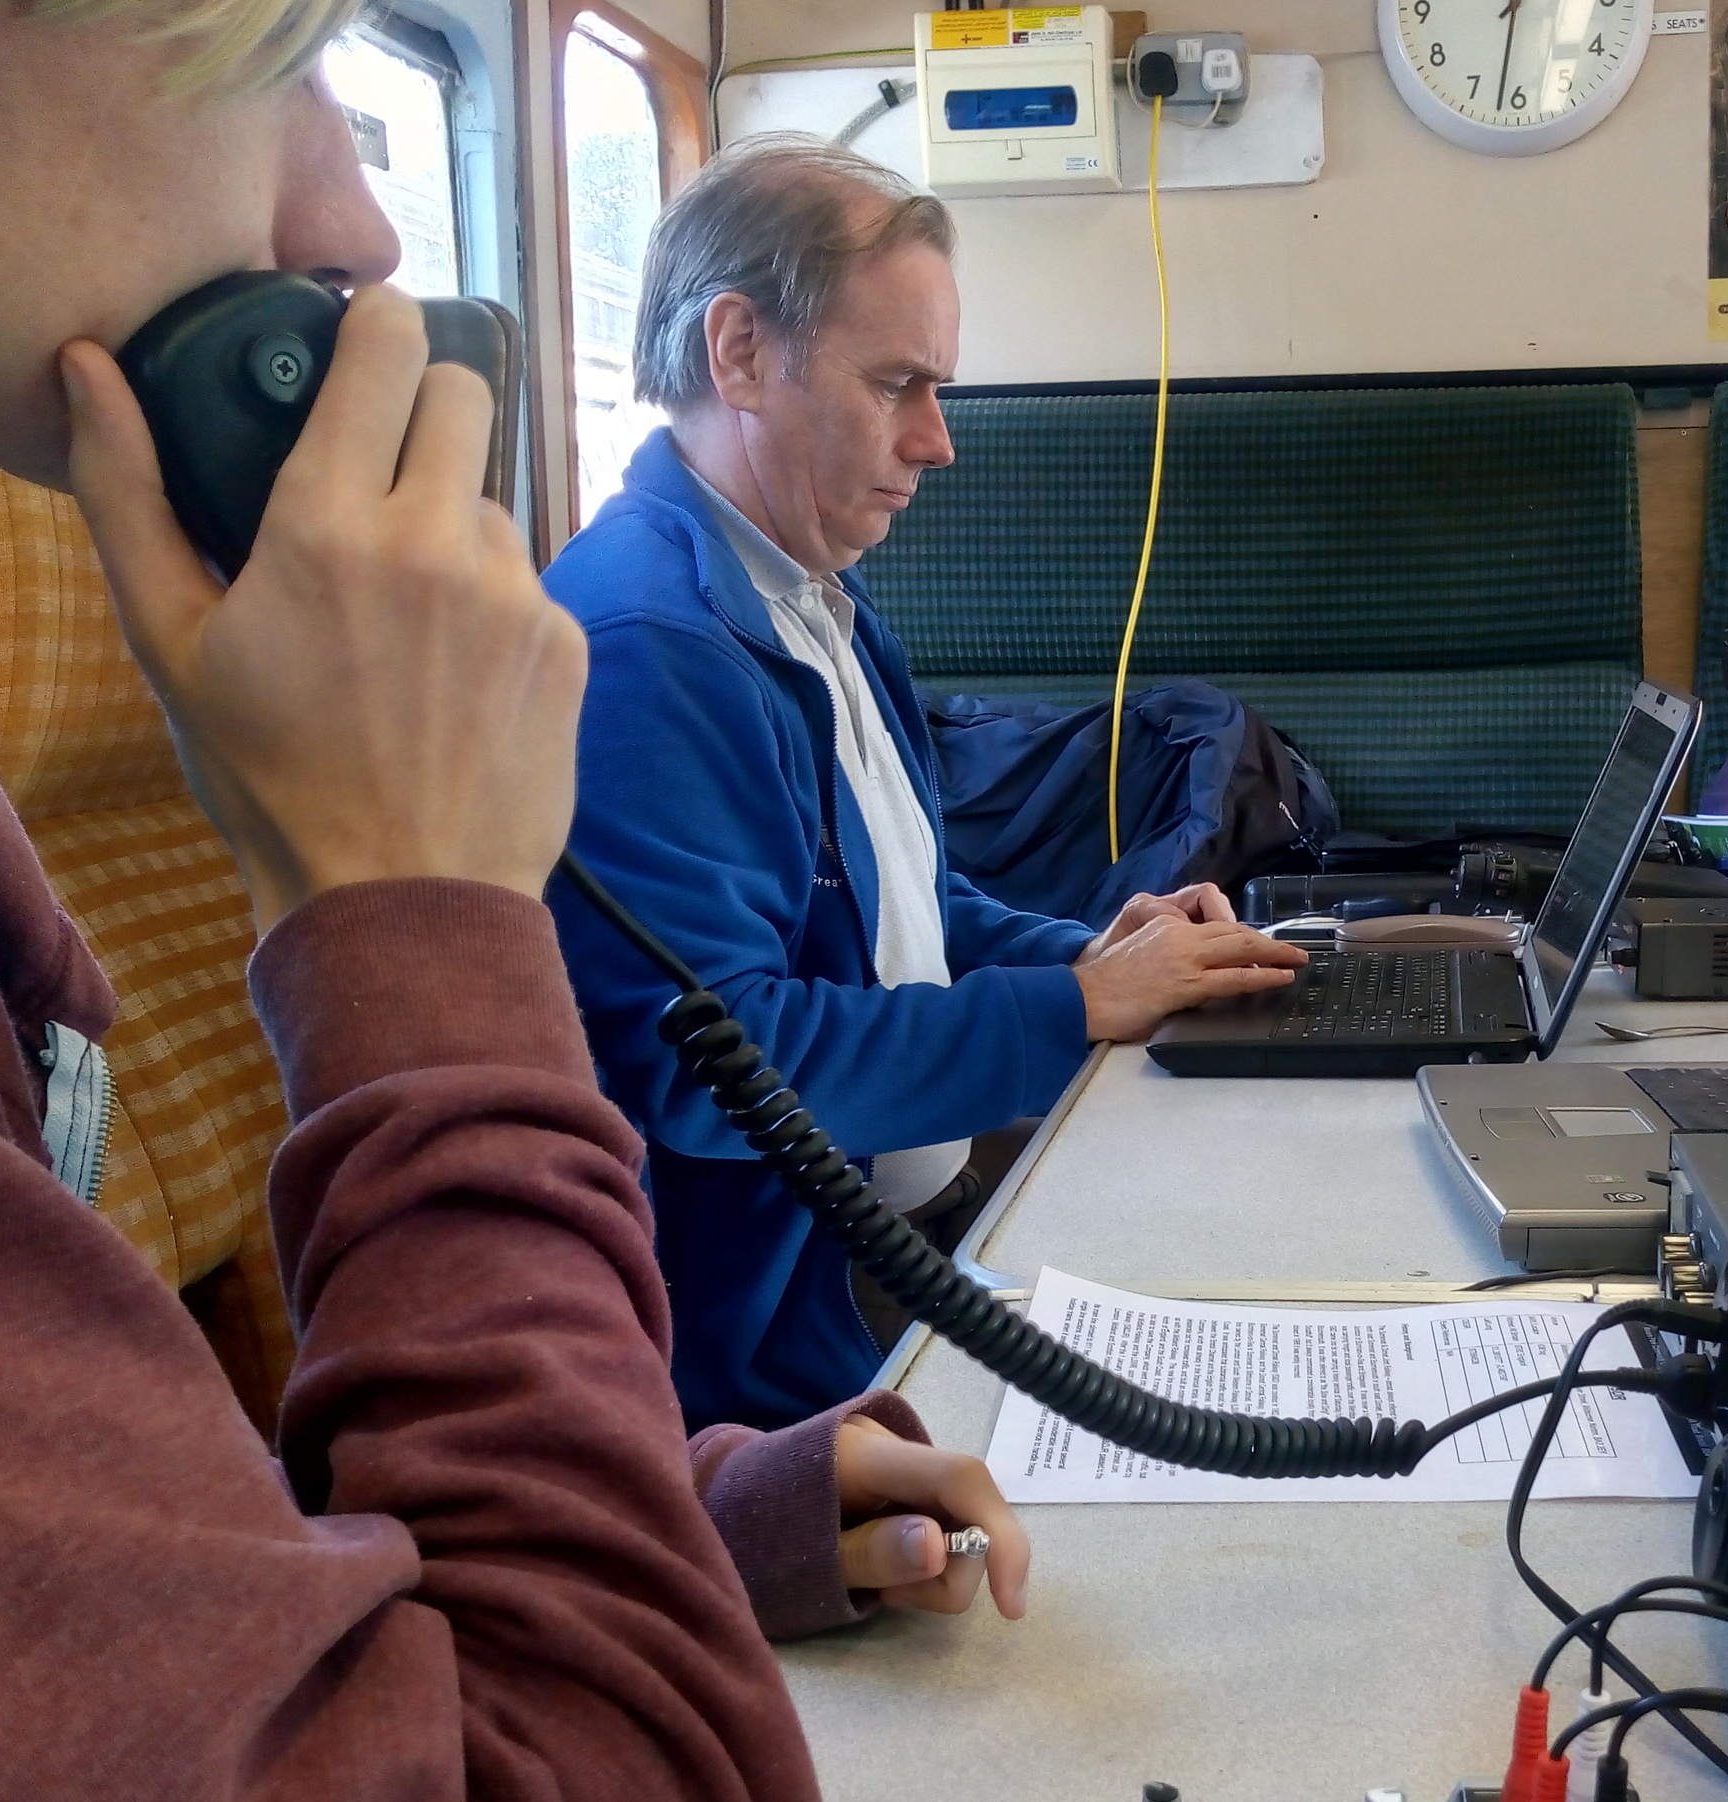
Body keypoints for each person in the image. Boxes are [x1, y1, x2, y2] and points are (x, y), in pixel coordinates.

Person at [0, 3, 1021, 1802]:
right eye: (276, 60)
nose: (357, 217)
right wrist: (418, 924)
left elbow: (98, 1645)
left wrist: (670, 1527)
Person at [544, 137, 1307, 1432]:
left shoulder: (811, 601)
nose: (938, 442)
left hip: (897, 1247)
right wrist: (1072, 1009)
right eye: (898, 383)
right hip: (773, 1358)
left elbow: (909, 904)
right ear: (737, 352)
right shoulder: (650, 652)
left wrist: (1100, 955)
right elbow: (725, 1071)